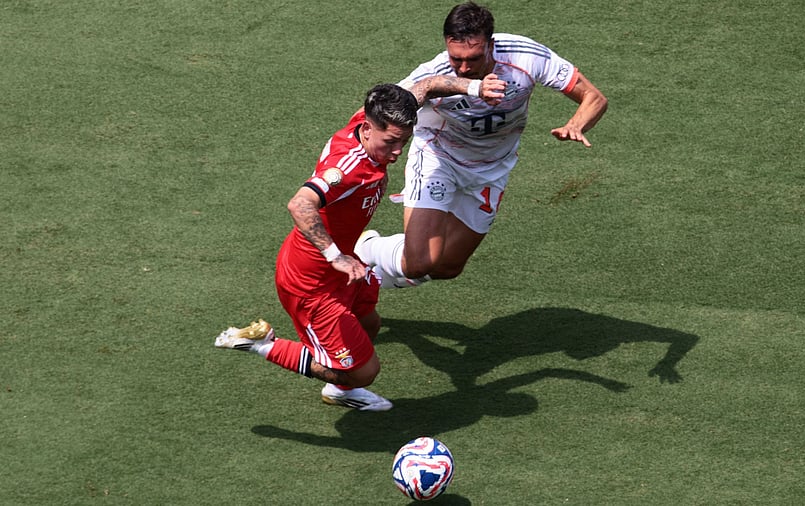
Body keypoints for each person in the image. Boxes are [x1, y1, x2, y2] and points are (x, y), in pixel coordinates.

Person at [355, 2, 608, 288]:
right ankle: (364, 250)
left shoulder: (524, 56)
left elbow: (594, 98)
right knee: (420, 262)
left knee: (448, 266)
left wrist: (576, 124)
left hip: (492, 170)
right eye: (456, 58)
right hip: (439, 159)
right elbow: (388, 109)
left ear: (491, 44)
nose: (463, 68)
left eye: (473, 59)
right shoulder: (435, 72)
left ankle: (366, 284)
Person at [213, 84, 419, 411]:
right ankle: (262, 344)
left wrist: (472, 86)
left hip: (343, 271)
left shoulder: (366, 124)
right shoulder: (346, 170)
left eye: (403, 143)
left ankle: (340, 388)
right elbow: (300, 204)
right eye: (391, 142)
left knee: (370, 324)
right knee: (364, 372)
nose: (397, 152)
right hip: (312, 285)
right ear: (367, 129)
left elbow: (420, 89)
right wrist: (335, 256)